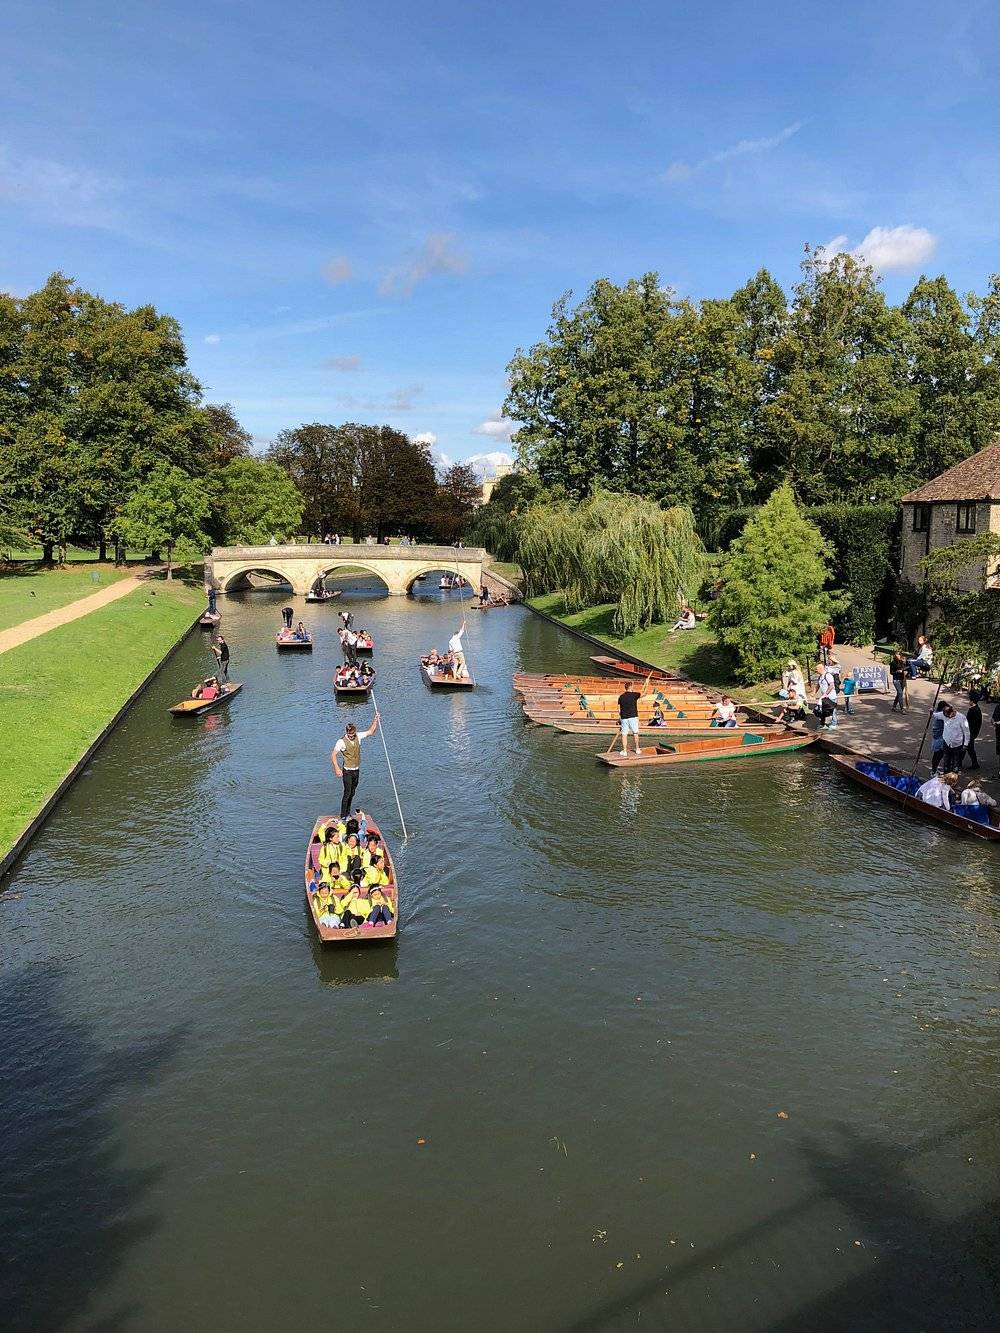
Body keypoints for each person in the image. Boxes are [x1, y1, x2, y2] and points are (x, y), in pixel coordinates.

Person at [331, 712, 380, 819]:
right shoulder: (341, 742)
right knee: (347, 792)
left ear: (355, 732)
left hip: (356, 770)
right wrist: (337, 768)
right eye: (349, 735)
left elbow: (371, 732)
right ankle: (343, 816)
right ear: (346, 732)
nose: (351, 737)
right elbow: (333, 754)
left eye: (353, 735)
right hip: (347, 771)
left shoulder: (359, 736)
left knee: (352, 792)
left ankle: (348, 812)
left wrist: (375, 720)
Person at [934, 703, 970, 772]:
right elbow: (936, 716)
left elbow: (967, 732)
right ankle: (946, 777)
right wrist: (931, 712)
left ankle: (953, 779)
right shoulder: (944, 714)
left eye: (948, 716)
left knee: (956, 764)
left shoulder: (962, 718)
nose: (947, 718)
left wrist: (965, 744)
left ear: (952, 712)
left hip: (957, 745)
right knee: (946, 763)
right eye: (945, 716)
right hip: (946, 743)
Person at [617, 682, 642, 756]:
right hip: (633, 717)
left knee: (624, 734)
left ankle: (625, 751)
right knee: (635, 733)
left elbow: (618, 708)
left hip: (624, 717)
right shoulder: (634, 695)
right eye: (633, 686)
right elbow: (643, 693)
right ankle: (637, 749)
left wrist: (620, 716)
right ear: (630, 687)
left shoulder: (621, 697)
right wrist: (646, 683)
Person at [966, 695, 983, 769]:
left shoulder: (973, 710)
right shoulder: (976, 709)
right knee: (968, 748)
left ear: (972, 701)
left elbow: (972, 723)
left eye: (970, 700)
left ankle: (975, 764)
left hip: (970, 732)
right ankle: (974, 763)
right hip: (972, 732)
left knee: (969, 748)